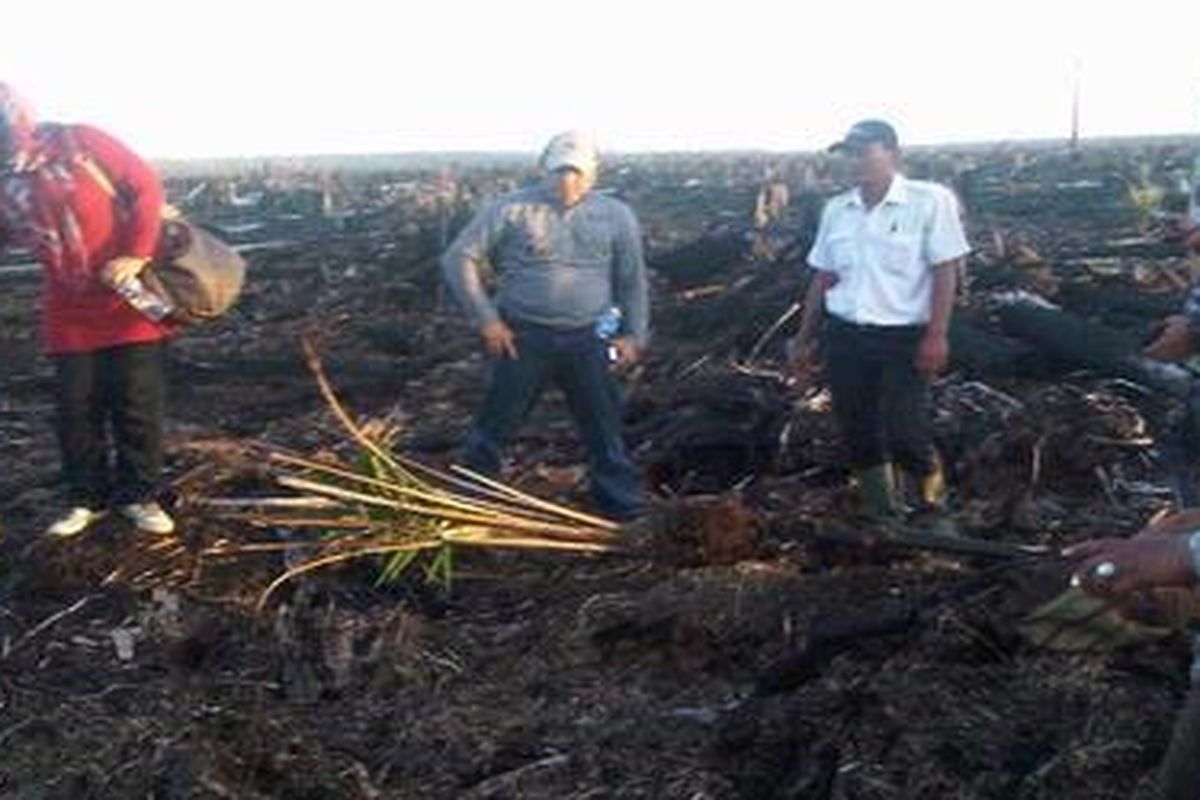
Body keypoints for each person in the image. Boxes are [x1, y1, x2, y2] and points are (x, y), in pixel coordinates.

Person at [440, 131, 648, 520]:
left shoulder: (616, 216)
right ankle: (469, 500)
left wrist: (635, 336)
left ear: (593, 174)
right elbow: (458, 259)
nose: (567, 182)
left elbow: (632, 280)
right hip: (523, 337)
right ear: (543, 171)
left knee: (604, 427)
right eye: (559, 173)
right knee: (496, 422)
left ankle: (622, 508)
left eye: (577, 173)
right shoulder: (510, 210)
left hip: (589, 337)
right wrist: (488, 321)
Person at [0, 84, 175, 536]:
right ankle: (87, 498)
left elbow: (146, 187)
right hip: (68, 306)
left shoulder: (81, 143)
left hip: (127, 296)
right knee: (75, 407)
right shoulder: (5, 180)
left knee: (136, 402)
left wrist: (136, 254)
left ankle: (141, 495)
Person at [787, 120, 970, 522]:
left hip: (904, 337)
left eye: (864, 153)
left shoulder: (929, 201)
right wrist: (803, 338)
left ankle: (933, 511)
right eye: (848, 154)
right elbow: (824, 276)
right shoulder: (838, 210)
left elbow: (945, 270)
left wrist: (937, 335)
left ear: (893, 153)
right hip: (846, 337)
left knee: (905, 431)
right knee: (858, 431)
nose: (855, 163)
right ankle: (885, 515)